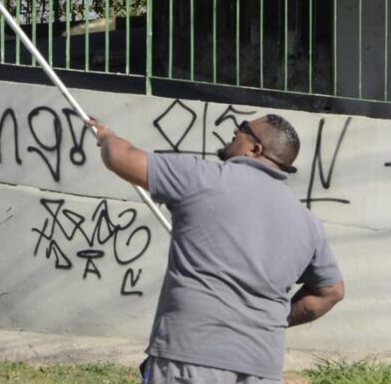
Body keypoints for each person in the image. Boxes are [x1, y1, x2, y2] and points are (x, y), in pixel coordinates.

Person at [88, 115, 344, 384]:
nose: (236, 128)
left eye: (244, 128)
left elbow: (119, 157)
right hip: (260, 367)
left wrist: (106, 136)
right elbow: (332, 291)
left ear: (255, 149)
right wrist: (279, 318)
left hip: (189, 362)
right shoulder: (308, 224)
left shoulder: (200, 177)